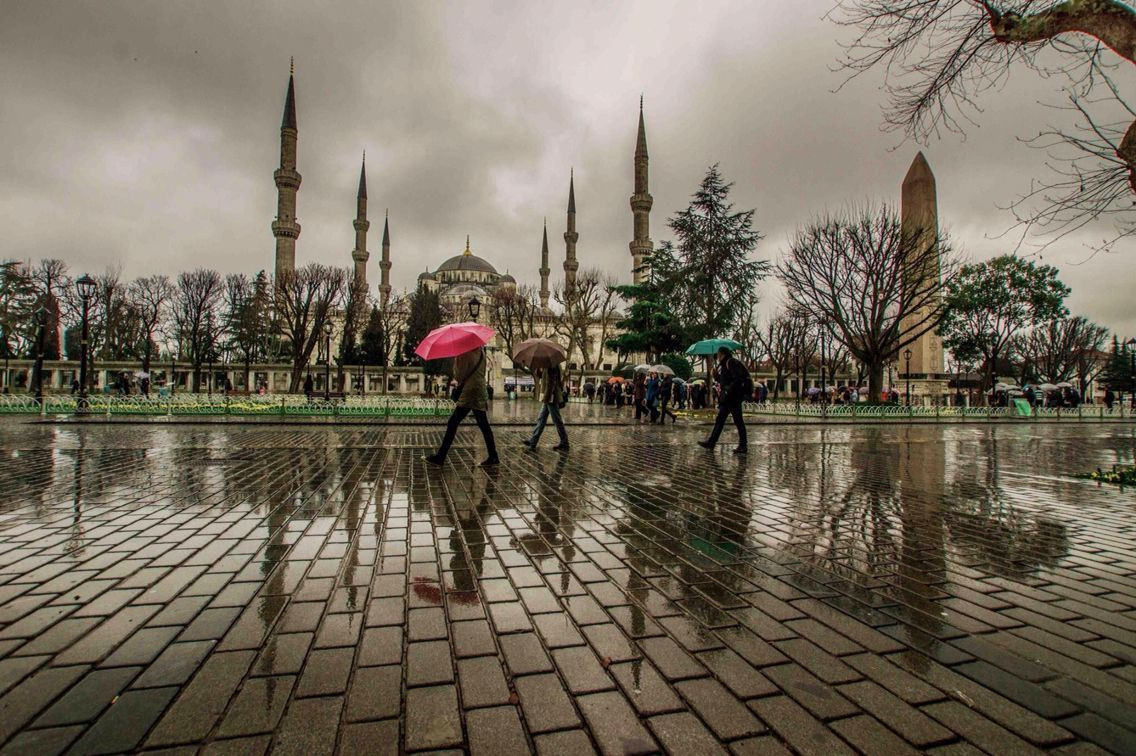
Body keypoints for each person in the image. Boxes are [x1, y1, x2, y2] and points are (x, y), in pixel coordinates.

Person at [425, 346, 499, 466]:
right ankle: (493, 455)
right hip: (480, 390)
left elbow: (459, 376)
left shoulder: (465, 353)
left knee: (453, 422)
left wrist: (456, 361)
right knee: (483, 424)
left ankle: (441, 456)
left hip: (469, 392)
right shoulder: (481, 352)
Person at [698, 346, 750, 454]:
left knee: (738, 421)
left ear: (722, 354)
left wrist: (728, 391)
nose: (717, 356)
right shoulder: (723, 365)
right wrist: (716, 375)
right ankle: (711, 442)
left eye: (718, 354)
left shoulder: (731, 362)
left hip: (733, 397)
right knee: (720, 420)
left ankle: (743, 445)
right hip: (727, 399)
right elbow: (724, 380)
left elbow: (737, 379)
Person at [524, 363, 569, 451]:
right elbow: (542, 376)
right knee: (541, 419)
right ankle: (533, 441)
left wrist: (546, 398)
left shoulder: (552, 365)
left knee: (557, 421)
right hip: (548, 397)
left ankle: (565, 443)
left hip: (551, 397)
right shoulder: (547, 365)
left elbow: (551, 383)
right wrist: (538, 368)